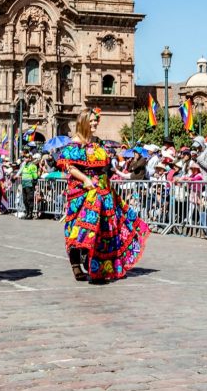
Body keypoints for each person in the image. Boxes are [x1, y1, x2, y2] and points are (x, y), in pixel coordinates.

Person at [57, 107, 150, 284]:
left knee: (104, 227)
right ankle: (76, 263)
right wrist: (85, 179)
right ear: (83, 121)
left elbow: (104, 166)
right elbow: (70, 167)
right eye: (91, 120)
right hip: (80, 191)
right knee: (78, 228)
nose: (94, 123)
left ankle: (100, 266)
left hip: (101, 190)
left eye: (95, 121)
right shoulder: (73, 144)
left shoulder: (97, 143)